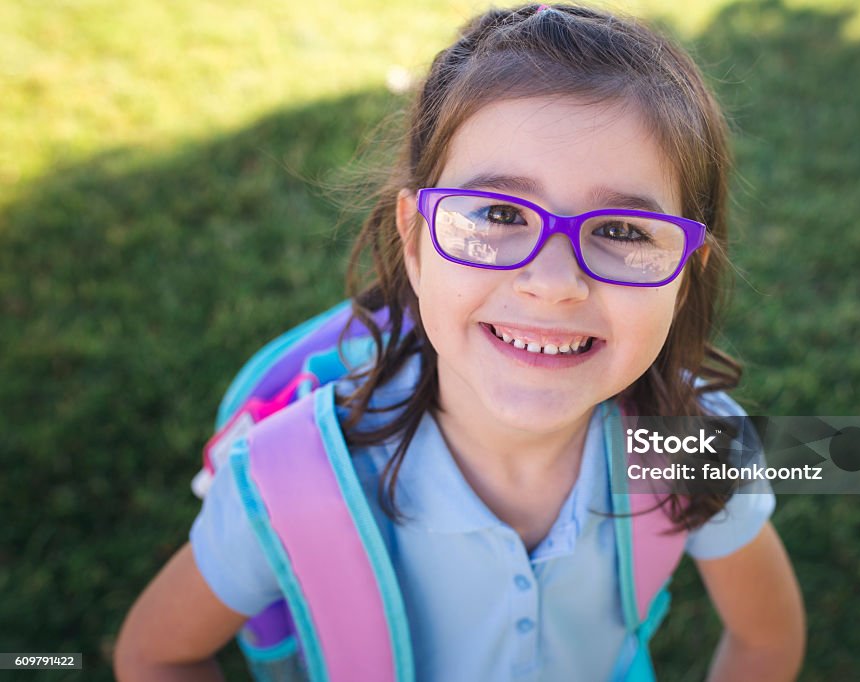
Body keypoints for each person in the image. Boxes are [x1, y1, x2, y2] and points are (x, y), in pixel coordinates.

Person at [114, 4, 805, 681]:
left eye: (624, 230)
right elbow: (156, 653)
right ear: (414, 241)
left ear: (685, 274)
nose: (552, 283)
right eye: (500, 214)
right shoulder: (287, 479)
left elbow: (766, 640)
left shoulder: (697, 446)